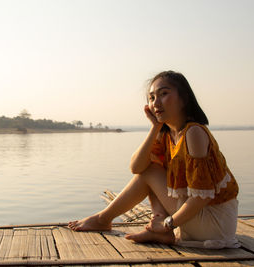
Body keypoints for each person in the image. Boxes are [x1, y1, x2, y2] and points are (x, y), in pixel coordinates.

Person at [68, 70, 240, 249]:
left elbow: (201, 197)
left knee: (150, 171)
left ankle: (105, 219)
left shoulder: (194, 132)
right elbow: (136, 167)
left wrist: (168, 223)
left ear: (184, 98)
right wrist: (155, 128)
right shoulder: (167, 133)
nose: (155, 102)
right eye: (151, 97)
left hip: (214, 221)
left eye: (163, 94)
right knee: (149, 167)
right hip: (196, 215)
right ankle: (147, 229)